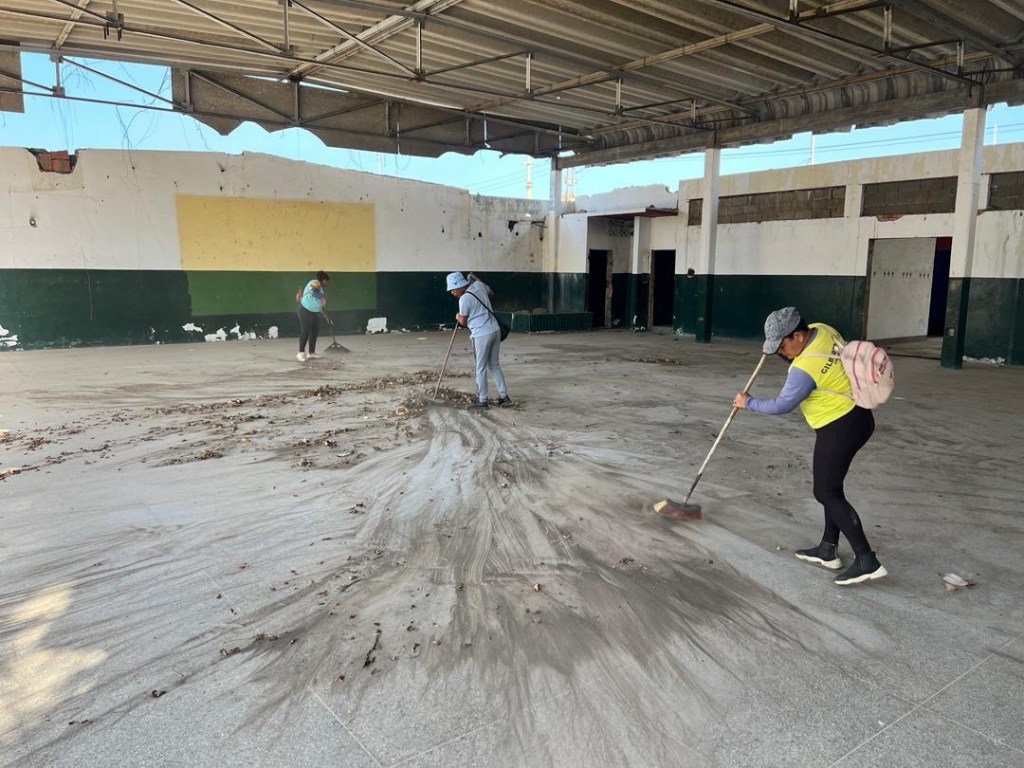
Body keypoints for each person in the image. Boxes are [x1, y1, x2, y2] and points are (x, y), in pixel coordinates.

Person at [733, 307, 887, 586]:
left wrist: (749, 403)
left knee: (825, 491)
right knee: (832, 488)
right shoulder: (823, 329)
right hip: (858, 417)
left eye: (782, 346)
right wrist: (782, 350)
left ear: (799, 335)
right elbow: (814, 361)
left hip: (840, 426)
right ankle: (828, 549)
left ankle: (867, 560)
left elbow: (783, 405)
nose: (781, 353)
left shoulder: (804, 369)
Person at [446, 271, 511, 409]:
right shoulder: (479, 286)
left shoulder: (464, 299)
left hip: (482, 334)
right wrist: (475, 278)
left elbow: (463, 321)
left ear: (460, 286)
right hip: (495, 330)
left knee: (479, 368)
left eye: (453, 289)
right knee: (494, 365)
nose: (452, 292)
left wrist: (457, 315)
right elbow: (491, 293)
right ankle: (504, 397)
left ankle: (482, 400)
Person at [296, 271, 329, 362]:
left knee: (315, 331)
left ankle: (311, 353)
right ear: (323, 280)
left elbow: (316, 300)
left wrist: (323, 309)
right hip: (305, 311)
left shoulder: (320, 287)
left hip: (314, 312)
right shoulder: (314, 282)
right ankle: (300, 353)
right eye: (327, 281)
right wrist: (323, 297)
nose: (328, 283)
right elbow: (314, 293)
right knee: (306, 331)